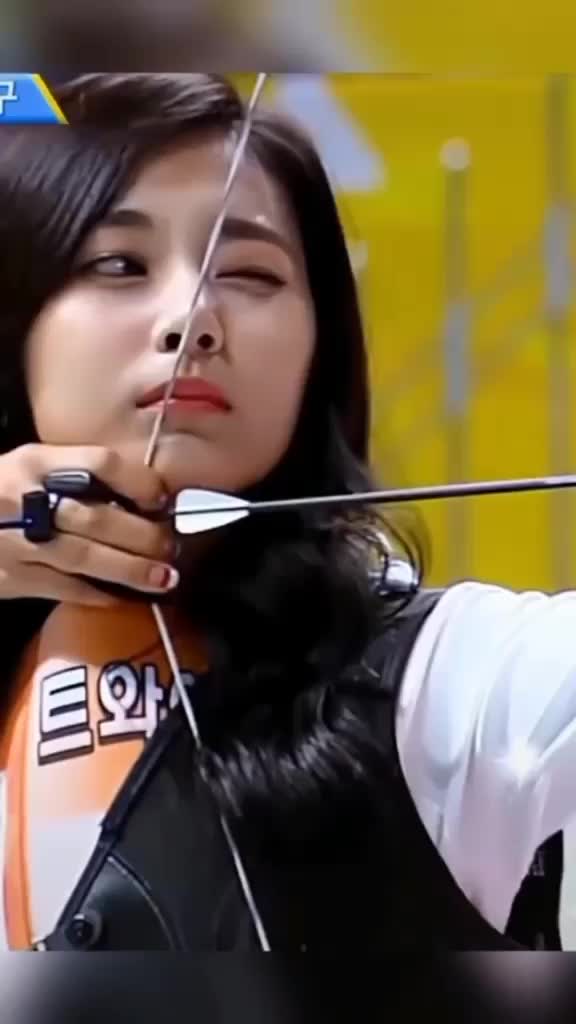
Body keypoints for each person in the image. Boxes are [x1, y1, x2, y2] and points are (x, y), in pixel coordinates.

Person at [0, 72, 569, 951]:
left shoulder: (446, 685)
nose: (192, 317)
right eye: (118, 265)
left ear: (318, 351)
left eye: (251, 273)